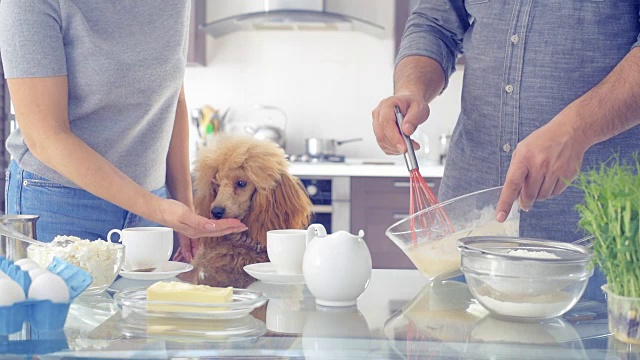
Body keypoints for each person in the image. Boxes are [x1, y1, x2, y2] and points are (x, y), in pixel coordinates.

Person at [372, 1, 640, 300]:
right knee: (459, 342)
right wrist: (411, 89)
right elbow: (434, 24)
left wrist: (576, 130)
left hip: (599, 243)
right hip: (466, 240)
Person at [0, 0, 247, 262]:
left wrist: (185, 206)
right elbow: (46, 136)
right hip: (61, 204)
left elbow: (173, 98)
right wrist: (160, 210)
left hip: (154, 207)